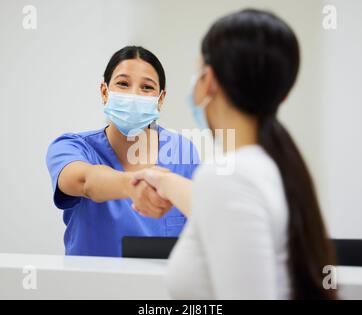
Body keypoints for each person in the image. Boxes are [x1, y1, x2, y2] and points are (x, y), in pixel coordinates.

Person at [132, 10, 337, 299]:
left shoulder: (228, 177)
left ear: (209, 80)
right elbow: (219, 211)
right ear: (283, 94)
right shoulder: (270, 167)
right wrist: (163, 181)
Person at [46, 46, 199, 257]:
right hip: (89, 286)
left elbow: (198, 225)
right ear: (104, 91)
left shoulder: (182, 151)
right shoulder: (72, 147)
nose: (134, 95)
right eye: (123, 84)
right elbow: (85, 181)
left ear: (160, 99)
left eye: (146, 87)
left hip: (159, 287)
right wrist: (134, 185)